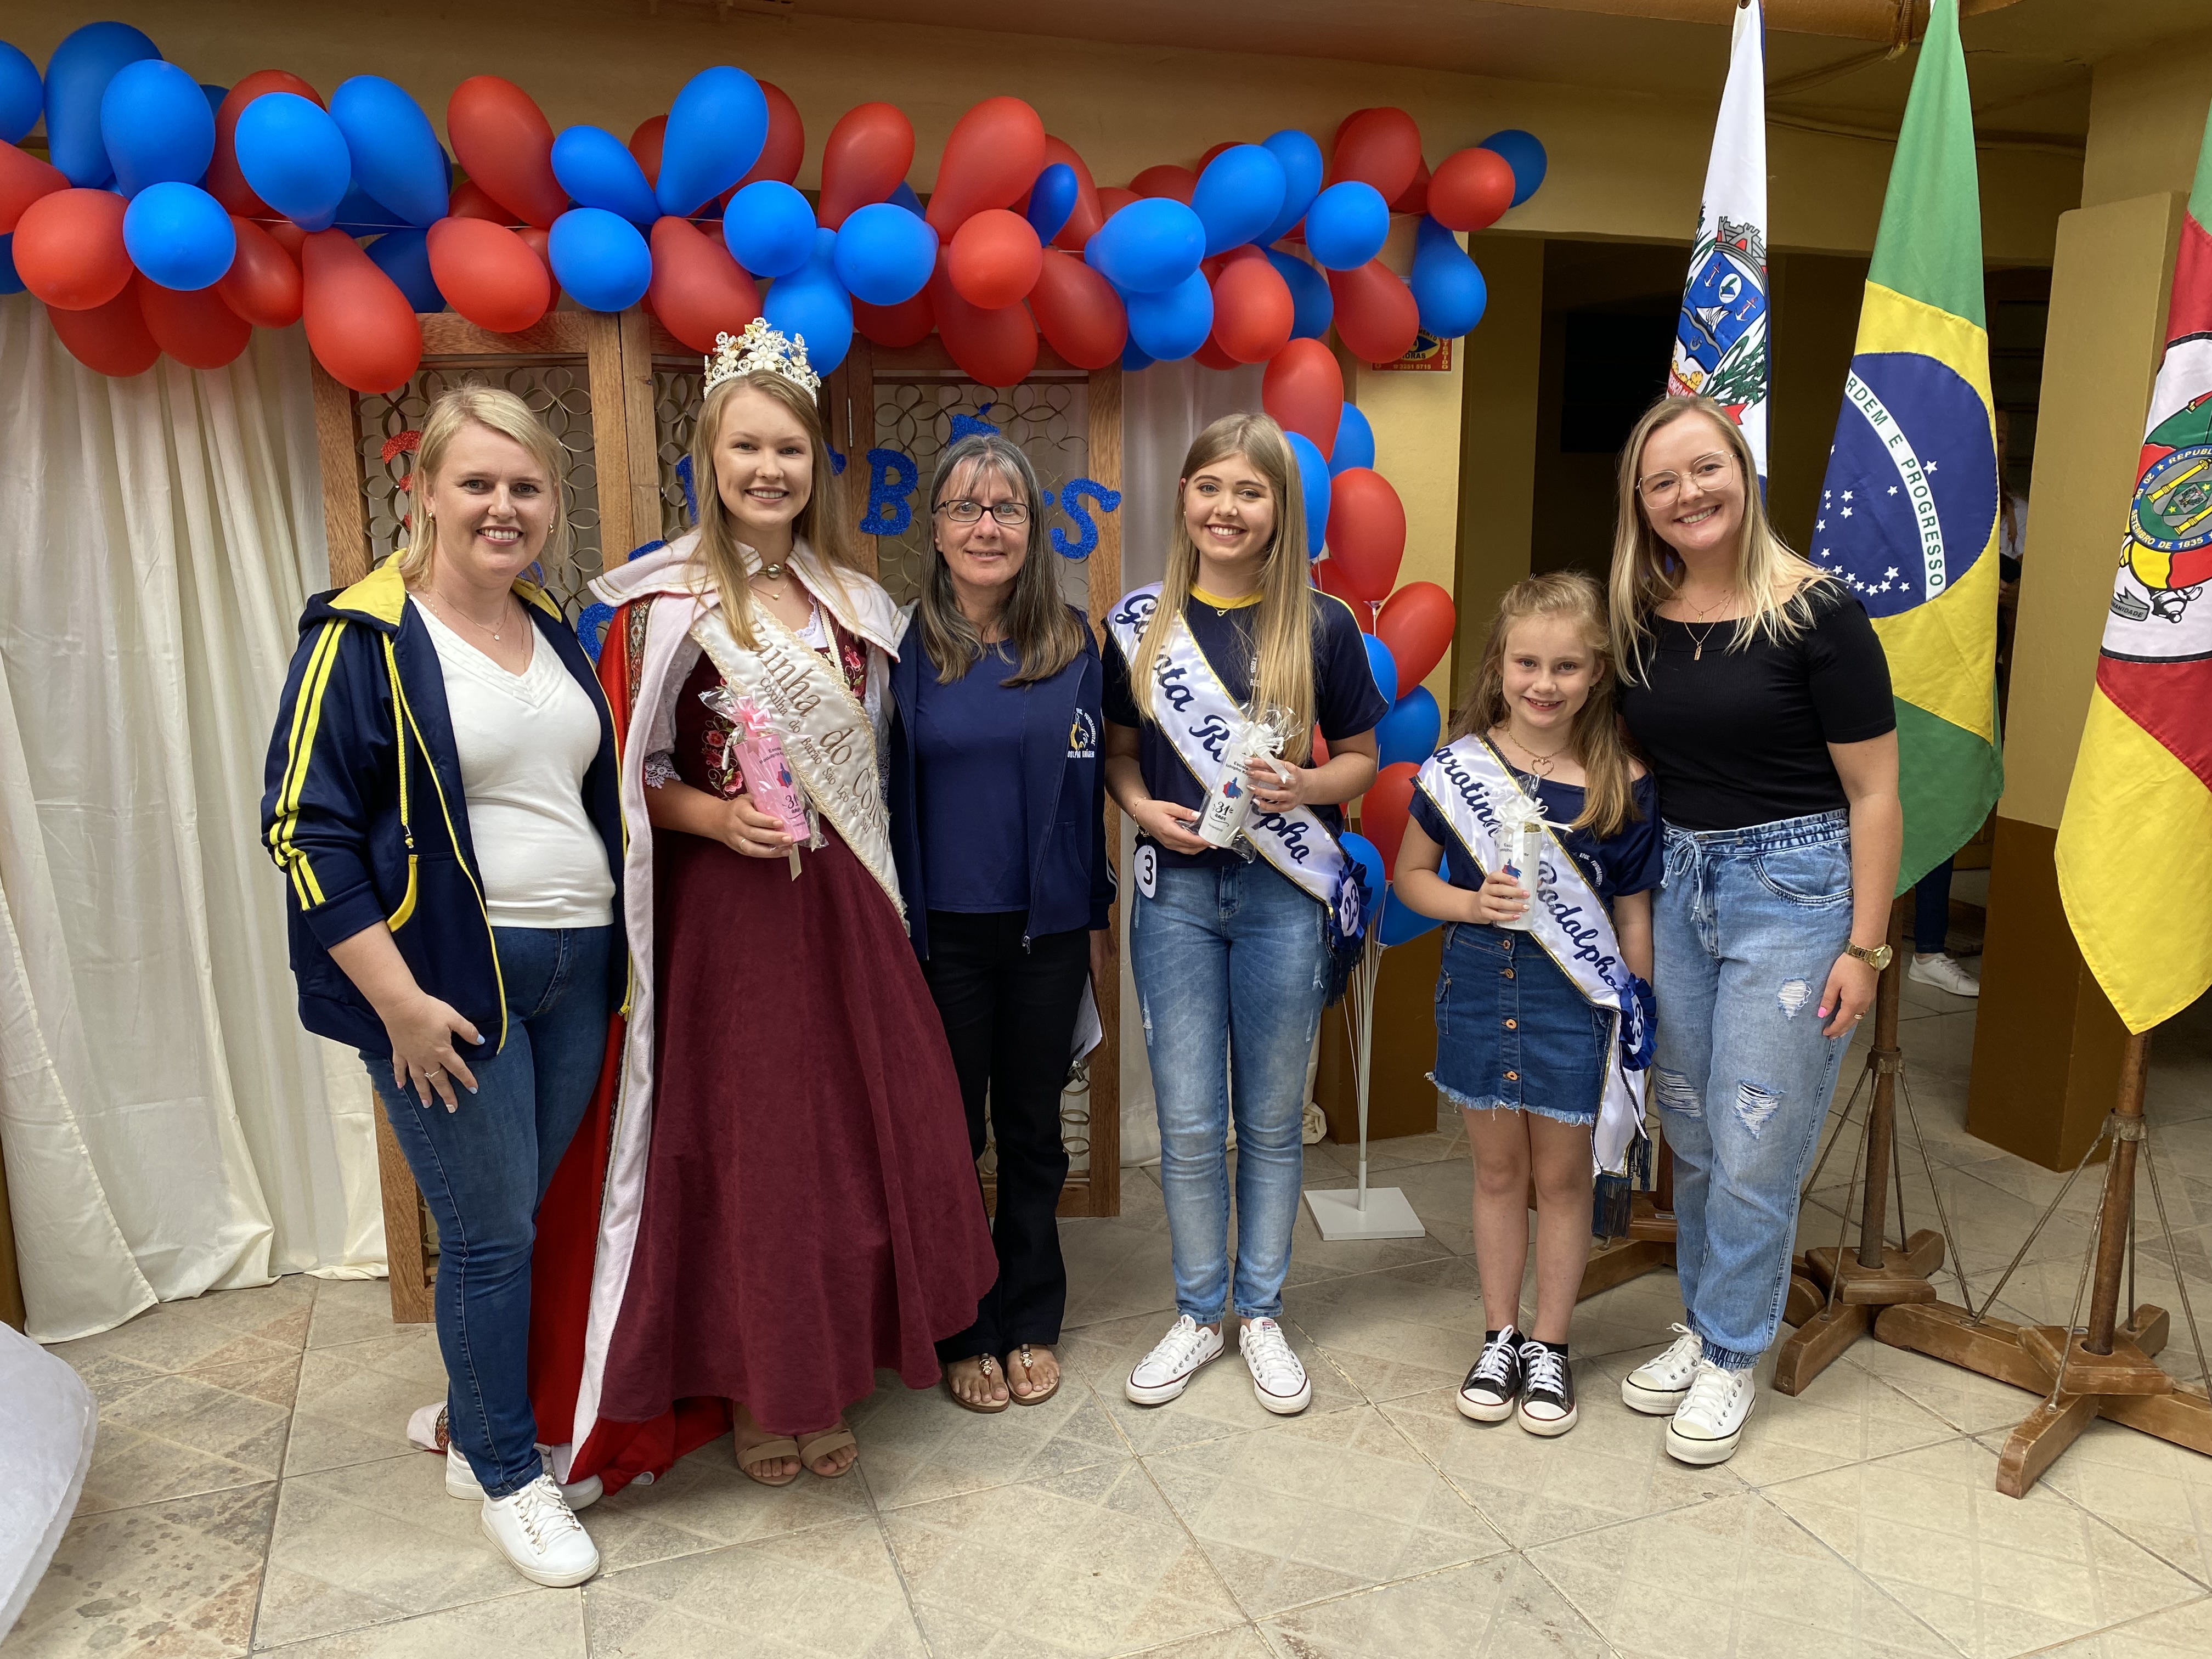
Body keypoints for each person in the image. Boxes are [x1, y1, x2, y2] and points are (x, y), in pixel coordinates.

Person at [548, 319, 996, 1492]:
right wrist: (709, 817)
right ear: (710, 457)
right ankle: (760, 1389)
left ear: (815, 465)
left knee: (845, 1148)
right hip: (726, 920)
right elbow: (623, 776)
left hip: (844, 911)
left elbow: (885, 768)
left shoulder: (857, 605)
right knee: (752, 1153)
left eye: (789, 450)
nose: (768, 470)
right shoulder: (659, 606)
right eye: (746, 447)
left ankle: (829, 1373)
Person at [261, 387, 624, 1587]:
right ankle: (508, 1476)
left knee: (520, 1216)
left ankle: (478, 1424)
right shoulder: (361, 635)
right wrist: (400, 1007)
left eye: (527, 486)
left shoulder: (553, 625)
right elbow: (303, 832)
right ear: (422, 492)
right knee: (489, 1234)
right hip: (449, 990)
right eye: (478, 483)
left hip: (578, 970)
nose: (502, 507)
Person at [1609, 393, 1901, 1466]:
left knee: (1755, 1134)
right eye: (1663, 482)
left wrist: (1865, 947)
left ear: (1743, 471)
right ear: (1641, 505)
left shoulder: (1819, 613)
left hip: (1795, 893)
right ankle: (1704, 1323)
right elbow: (1641, 758)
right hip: (1677, 885)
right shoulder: (1641, 619)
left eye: (1705, 469)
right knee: (1689, 1128)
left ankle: (1733, 1352)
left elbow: (1876, 793)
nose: (1688, 494)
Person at [1102, 413, 1385, 1417]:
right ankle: (1197, 1312)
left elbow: (1365, 757)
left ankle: (1259, 1312)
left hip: (1283, 895)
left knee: (1270, 1119)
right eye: (1211, 486)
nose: (1227, 508)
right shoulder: (1142, 624)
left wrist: (1306, 787)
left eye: (1250, 491)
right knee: (1189, 1122)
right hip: (1175, 892)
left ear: (1280, 509)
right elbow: (1121, 757)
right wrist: (1141, 811)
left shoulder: (1324, 625)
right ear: (1184, 496)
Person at [1394, 572, 1660, 1438]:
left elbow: (1632, 917)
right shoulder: (1458, 768)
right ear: (1499, 666)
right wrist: (1472, 904)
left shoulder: (1623, 782)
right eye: (1527, 664)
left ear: (1597, 672)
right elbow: (1411, 879)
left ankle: (1550, 1344)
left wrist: (1637, 1016)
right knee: (1499, 1173)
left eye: (1566, 667)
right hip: (1477, 985)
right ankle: (1499, 1336)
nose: (1544, 683)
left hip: (1574, 1005)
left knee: (1564, 1178)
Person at [886, 433, 1114, 1413]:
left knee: (1033, 1133)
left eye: (1007, 509)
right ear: (936, 529)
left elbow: (1098, 787)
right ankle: (965, 1323)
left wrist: (1095, 923)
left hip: (1045, 935)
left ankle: (1030, 1314)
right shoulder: (898, 650)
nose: (987, 527)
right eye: (966, 508)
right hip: (938, 937)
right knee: (950, 1137)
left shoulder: (1072, 644)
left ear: (1033, 528)